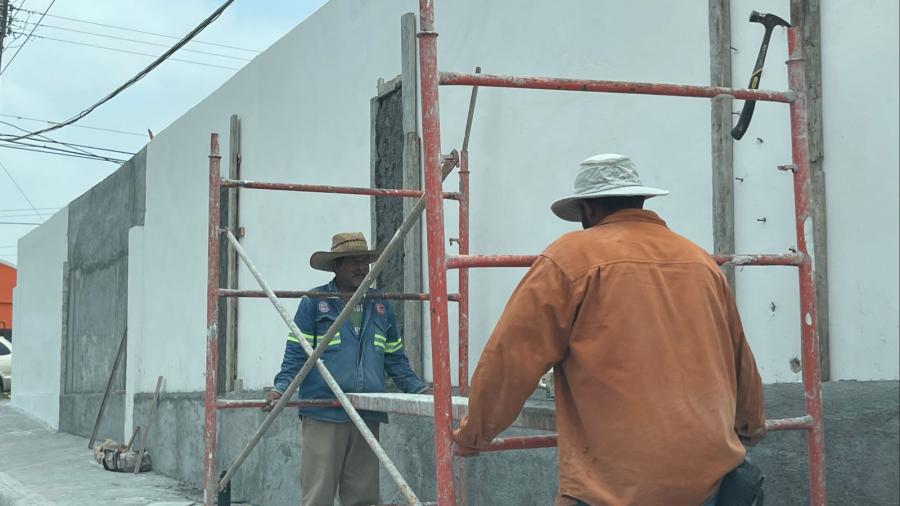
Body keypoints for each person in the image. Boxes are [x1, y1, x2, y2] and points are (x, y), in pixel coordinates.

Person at [452, 154, 766, 505]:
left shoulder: (569, 258)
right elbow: (740, 357)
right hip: (711, 479)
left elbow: (511, 358)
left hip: (615, 485)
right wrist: (749, 427)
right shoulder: (699, 260)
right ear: (641, 200)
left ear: (586, 210)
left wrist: (473, 435)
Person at [265, 232, 431, 506]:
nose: (361, 268)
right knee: (318, 495)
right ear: (335, 266)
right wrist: (280, 389)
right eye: (353, 262)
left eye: (365, 261)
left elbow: (395, 359)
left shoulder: (380, 305)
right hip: (324, 413)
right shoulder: (313, 303)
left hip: (366, 413)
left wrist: (420, 389)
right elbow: (296, 356)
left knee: (363, 497)